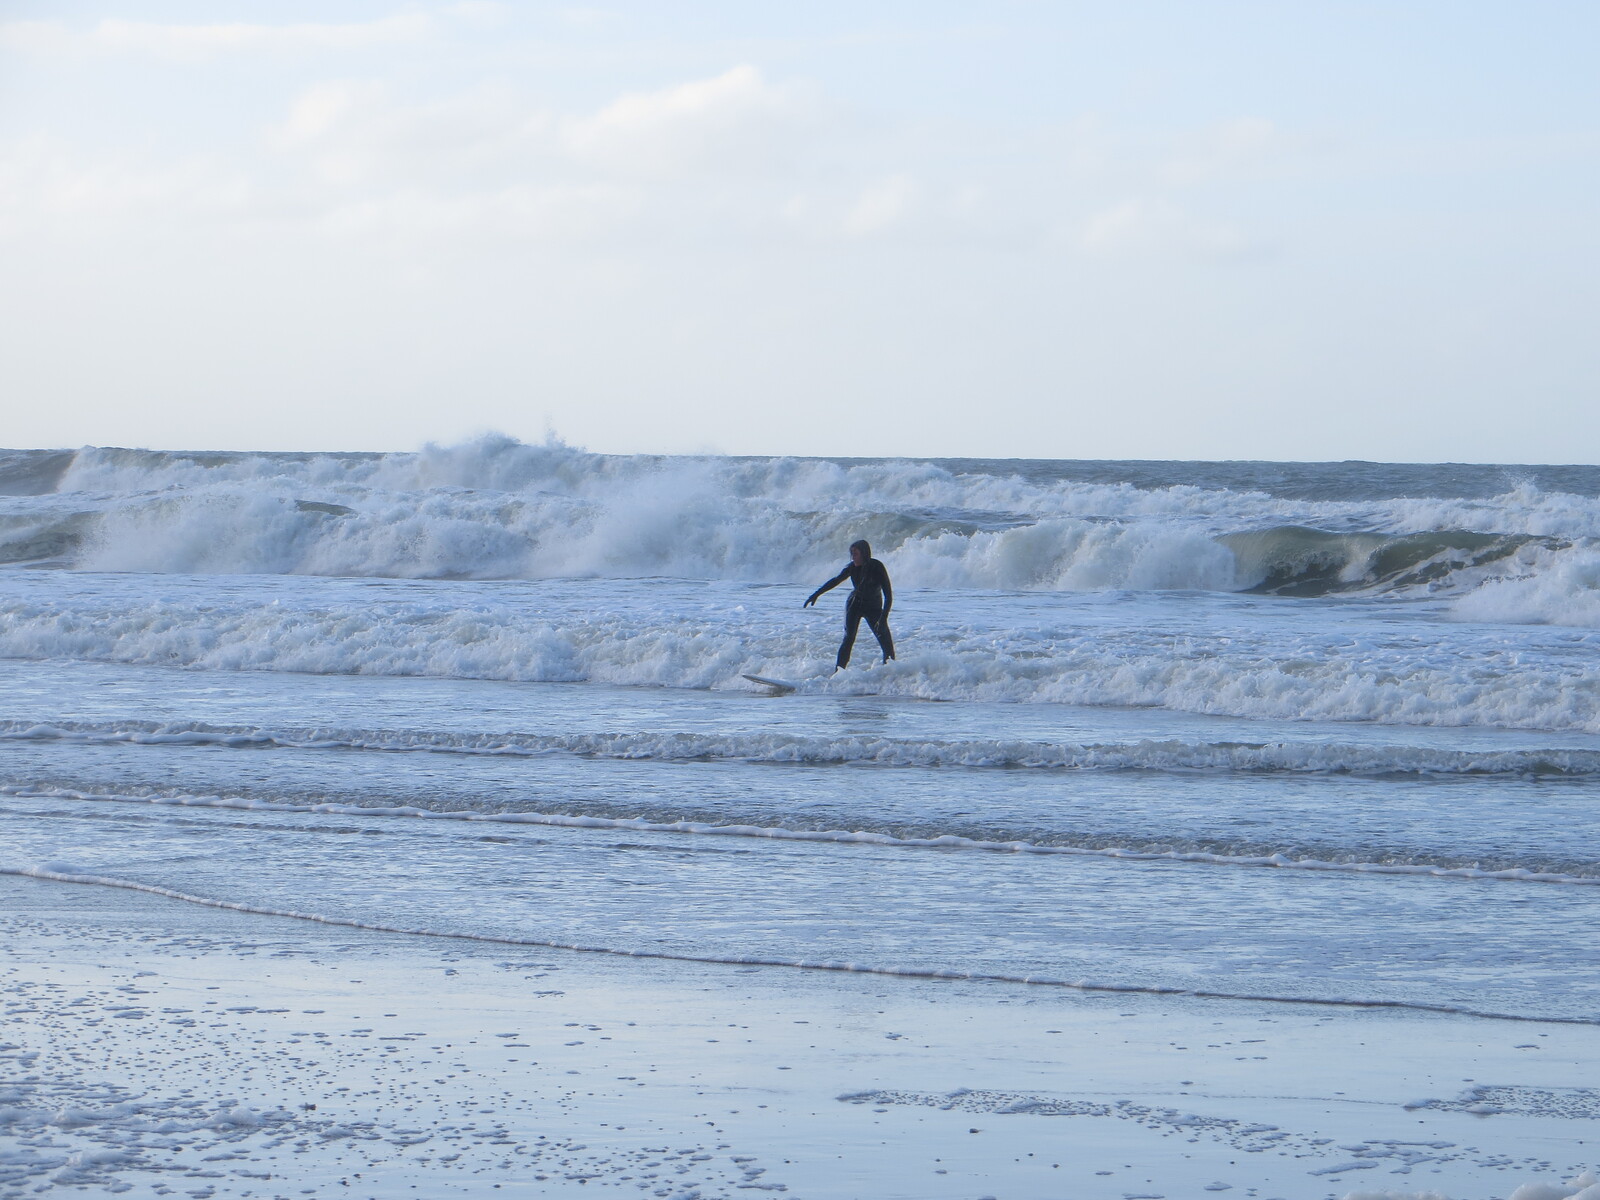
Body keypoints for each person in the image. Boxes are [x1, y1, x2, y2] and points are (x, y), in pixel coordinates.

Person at [804, 539, 896, 670]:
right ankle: (838, 673)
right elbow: (836, 580)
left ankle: (890, 674)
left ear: (864, 554)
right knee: (848, 639)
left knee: (886, 642)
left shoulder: (877, 567)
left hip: (873, 607)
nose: (853, 557)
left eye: (856, 553)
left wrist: (883, 618)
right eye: (851, 553)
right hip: (854, 605)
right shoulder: (851, 567)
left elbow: (888, 595)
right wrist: (816, 594)